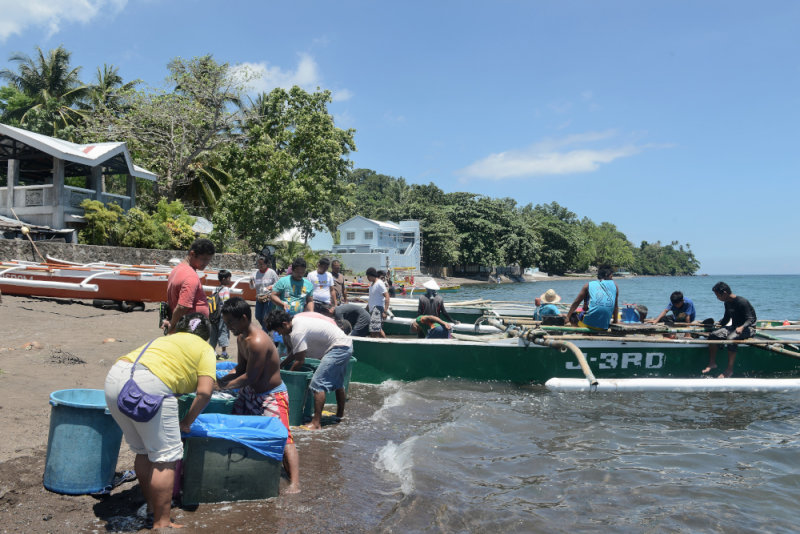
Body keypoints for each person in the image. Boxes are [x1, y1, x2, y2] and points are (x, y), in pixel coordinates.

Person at [104, 313, 216, 529]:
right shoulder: (205, 348)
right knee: (166, 458)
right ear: (205, 335)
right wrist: (186, 422)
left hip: (116, 380)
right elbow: (204, 392)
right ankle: (162, 522)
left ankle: (153, 507)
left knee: (144, 451)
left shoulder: (163, 340)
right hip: (150, 386)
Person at [217, 297, 300, 493]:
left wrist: (221, 387)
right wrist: (218, 381)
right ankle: (248, 465)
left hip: (271, 395)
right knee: (236, 424)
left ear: (244, 318)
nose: (229, 327)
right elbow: (240, 369)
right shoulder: (240, 338)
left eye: (231, 322)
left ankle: (295, 482)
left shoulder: (258, 341)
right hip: (251, 392)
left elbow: (250, 376)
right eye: (226, 323)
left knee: (284, 437)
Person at [268, 310, 354, 431]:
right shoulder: (295, 322)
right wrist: (281, 365)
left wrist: (289, 377)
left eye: (278, 330)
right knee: (338, 382)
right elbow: (295, 352)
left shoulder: (297, 331)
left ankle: (316, 423)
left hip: (338, 347)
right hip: (344, 344)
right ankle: (339, 415)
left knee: (317, 384)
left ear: (284, 324)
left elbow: (300, 361)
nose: (279, 333)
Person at [703, 282, 757, 378]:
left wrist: (742, 327)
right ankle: (712, 363)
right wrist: (718, 325)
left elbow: (751, 319)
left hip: (749, 328)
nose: (717, 298)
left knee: (731, 338)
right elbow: (726, 318)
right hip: (734, 327)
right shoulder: (727, 303)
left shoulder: (742, 302)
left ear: (724, 293)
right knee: (713, 335)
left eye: (717, 296)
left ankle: (729, 369)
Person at [163, 238, 215, 334]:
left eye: (208, 260)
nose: (206, 263)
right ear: (192, 254)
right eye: (203, 259)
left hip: (186, 327)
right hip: (189, 330)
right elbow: (182, 306)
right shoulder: (190, 276)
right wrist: (172, 325)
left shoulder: (177, 269)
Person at [566, 266, 619, 330]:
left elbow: (577, 302)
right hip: (604, 325)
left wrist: (567, 317)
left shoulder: (588, 285)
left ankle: (580, 330)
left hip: (588, 323)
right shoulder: (615, 285)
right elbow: (615, 306)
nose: (612, 279)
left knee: (572, 316)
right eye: (611, 276)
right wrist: (615, 321)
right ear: (606, 275)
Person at [250, 254, 279, 330]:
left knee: (265, 316)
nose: (260, 266)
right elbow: (252, 287)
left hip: (269, 298)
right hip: (259, 297)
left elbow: (278, 283)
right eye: (258, 264)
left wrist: (271, 287)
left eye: (262, 264)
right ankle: (267, 328)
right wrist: (251, 281)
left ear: (266, 264)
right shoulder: (255, 273)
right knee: (258, 316)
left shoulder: (271, 272)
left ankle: (265, 331)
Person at [209, 269, 233, 358]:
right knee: (223, 331)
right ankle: (224, 353)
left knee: (213, 332)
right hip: (223, 314)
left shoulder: (215, 289)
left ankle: (212, 351)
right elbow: (226, 301)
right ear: (224, 279)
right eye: (229, 278)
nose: (230, 280)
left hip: (213, 313)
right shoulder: (226, 289)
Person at [366, 267, 390, 338]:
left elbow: (387, 296)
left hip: (377, 309)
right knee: (374, 330)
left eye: (368, 276)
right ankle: (377, 344)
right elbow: (371, 298)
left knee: (377, 329)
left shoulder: (379, 283)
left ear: (371, 275)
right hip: (372, 309)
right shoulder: (371, 285)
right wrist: (366, 308)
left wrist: (385, 311)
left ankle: (386, 343)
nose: (367, 278)